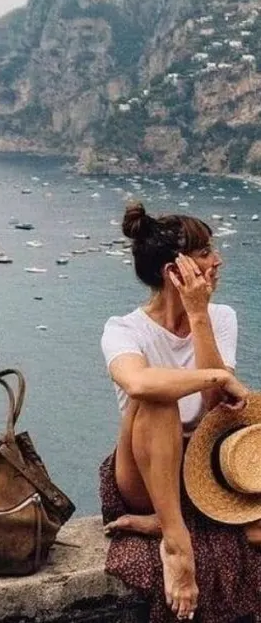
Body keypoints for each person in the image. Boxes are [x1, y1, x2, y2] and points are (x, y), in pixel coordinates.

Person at [100, 201, 256, 622]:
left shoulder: (220, 316)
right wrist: (218, 377)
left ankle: (173, 521)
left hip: (208, 468)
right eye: (205, 252)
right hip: (146, 472)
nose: (218, 259)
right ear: (175, 271)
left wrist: (199, 314)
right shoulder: (123, 329)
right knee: (157, 398)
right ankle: (176, 539)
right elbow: (137, 383)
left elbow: (216, 410)